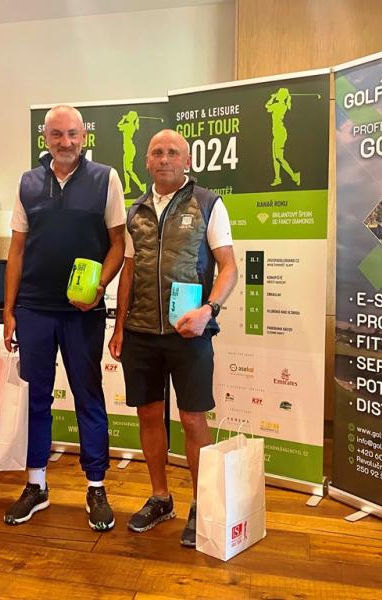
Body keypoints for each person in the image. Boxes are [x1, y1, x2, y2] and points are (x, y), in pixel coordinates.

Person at [108, 129, 238, 547]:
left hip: (189, 333)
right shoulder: (136, 211)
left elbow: (229, 267)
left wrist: (209, 309)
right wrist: (119, 325)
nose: (165, 159)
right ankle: (161, 498)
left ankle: (202, 504)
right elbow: (129, 270)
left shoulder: (208, 204)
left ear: (187, 161)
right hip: (141, 332)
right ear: (147, 161)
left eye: (173, 153)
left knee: (193, 419)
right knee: (148, 414)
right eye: (157, 152)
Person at [3, 105, 126, 530]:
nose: (65, 142)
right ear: (45, 138)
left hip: (83, 311)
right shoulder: (28, 183)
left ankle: (96, 486)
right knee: (36, 398)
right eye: (57, 134)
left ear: (84, 136)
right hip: (34, 309)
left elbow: (118, 244)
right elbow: (17, 250)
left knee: (88, 396)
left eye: (72, 134)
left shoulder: (105, 178)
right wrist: (9, 310)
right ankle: (36, 484)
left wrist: (99, 287)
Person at [265, 87, 300, 187]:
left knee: (279, 158)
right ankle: (277, 178)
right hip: (277, 133)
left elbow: (267, 107)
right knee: (275, 158)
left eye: (278, 93)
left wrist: (272, 98)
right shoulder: (283, 105)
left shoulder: (278, 105)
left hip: (280, 133)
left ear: (280, 96)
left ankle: (294, 176)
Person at [117, 110, 147, 196]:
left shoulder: (128, 126)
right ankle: (127, 188)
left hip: (130, 149)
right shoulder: (130, 125)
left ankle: (141, 186)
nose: (127, 116)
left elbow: (118, 125)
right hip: (127, 149)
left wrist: (123, 119)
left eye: (129, 115)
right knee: (125, 170)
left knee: (129, 170)